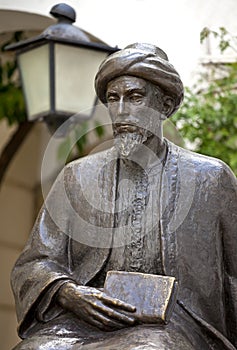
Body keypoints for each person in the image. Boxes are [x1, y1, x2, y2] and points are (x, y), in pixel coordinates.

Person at [12, 43, 237, 350]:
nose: (120, 111)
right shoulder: (76, 176)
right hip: (83, 323)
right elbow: (36, 262)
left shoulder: (210, 178)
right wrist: (68, 292)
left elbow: (233, 277)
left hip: (173, 324)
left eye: (134, 97)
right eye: (113, 99)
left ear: (165, 105)